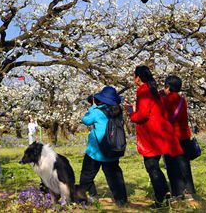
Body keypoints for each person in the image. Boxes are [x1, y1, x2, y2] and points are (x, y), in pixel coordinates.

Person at [128, 65, 186, 206]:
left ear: (138, 78)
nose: (133, 78)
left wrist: (131, 113)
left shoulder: (144, 92)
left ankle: (162, 197)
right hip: (160, 133)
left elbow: (142, 114)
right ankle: (169, 194)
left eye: (134, 75)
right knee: (154, 165)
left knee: (151, 165)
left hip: (152, 135)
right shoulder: (152, 91)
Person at [79, 86, 128, 207]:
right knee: (115, 178)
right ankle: (121, 200)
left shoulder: (97, 112)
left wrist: (93, 107)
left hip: (95, 152)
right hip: (112, 150)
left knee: (86, 176)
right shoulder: (118, 112)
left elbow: (85, 120)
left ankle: (89, 197)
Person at [163, 75, 196, 198]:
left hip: (171, 138)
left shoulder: (165, 101)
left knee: (172, 167)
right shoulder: (183, 101)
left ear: (168, 87)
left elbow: (164, 118)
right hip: (184, 136)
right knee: (184, 165)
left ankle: (177, 192)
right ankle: (189, 191)